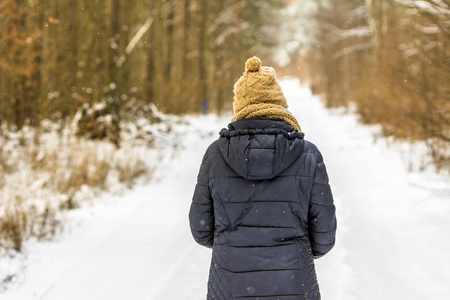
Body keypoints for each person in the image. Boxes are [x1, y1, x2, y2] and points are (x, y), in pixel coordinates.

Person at [189, 56, 336, 300]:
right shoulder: (308, 154)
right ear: (279, 103)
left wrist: (234, 245)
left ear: (240, 105)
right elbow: (325, 235)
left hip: (230, 285)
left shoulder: (215, 154)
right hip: (294, 284)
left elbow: (200, 229)